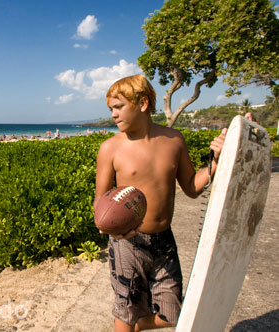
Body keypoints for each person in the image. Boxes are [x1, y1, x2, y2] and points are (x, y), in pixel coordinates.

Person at [95, 75, 226, 332]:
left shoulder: (174, 140)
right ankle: (129, 324)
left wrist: (217, 160)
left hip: (164, 241)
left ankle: (137, 325)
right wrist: (108, 227)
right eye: (110, 109)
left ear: (142, 103)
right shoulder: (110, 148)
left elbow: (191, 187)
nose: (113, 114)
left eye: (118, 107)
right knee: (125, 311)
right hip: (127, 243)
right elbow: (101, 199)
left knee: (173, 314)